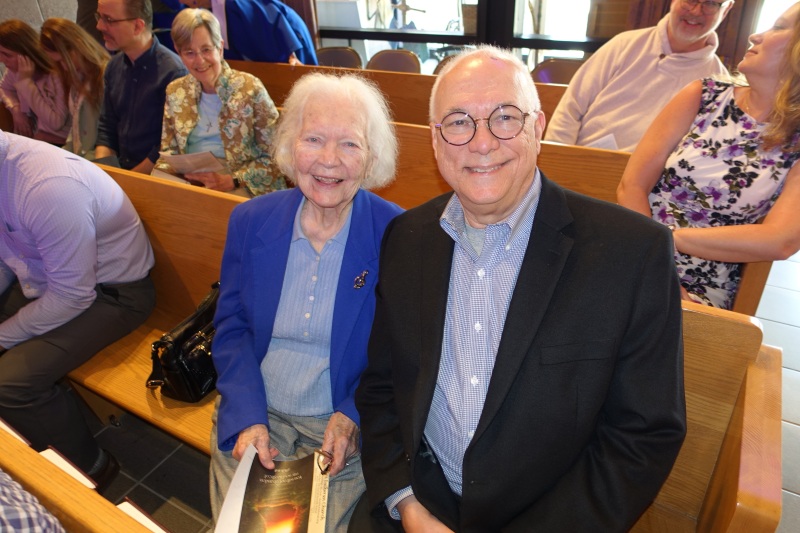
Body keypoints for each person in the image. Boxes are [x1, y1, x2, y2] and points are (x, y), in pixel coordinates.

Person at [352, 46, 686, 532]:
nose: (483, 142)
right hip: (418, 504)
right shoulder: (406, 238)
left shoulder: (632, 254)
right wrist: (405, 503)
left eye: (505, 117)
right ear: (436, 141)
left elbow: (643, 435)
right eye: (459, 122)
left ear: (538, 127)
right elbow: (382, 386)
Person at [209, 72, 403, 531]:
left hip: (341, 417)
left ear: (372, 157)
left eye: (350, 144)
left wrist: (351, 415)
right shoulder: (249, 220)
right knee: (241, 527)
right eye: (313, 139)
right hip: (258, 405)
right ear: (288, 146)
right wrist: (247, 417)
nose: (328, 160)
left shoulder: (397, 234)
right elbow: (232, 327)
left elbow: (400, 349)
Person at [617, 2, 800, 310]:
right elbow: (631, 185)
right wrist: (654, 251)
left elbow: (781, 240)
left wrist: (670, 240)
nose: (755, 35)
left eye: (778, 28)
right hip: (636, 244)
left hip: (704, 279)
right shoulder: (703, 94)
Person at [0, 130, 156, 490]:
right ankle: (35, 431)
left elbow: (72, 296)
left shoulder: (47, 187)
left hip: (114, 295)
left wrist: (3, 337)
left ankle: (92, 468)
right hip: (49, 281)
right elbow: (8, 257)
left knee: (10, 384)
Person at [545, 0, 735, 152]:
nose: (695, 11)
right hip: (580, 162)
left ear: (726, 9)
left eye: (710, 3)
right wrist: (559, 164)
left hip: (651, 185)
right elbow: (570, 109)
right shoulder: (624, 44)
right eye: (690, 0)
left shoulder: (718, 84)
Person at [154, 8, 286, 196]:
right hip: (192, 183)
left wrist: (232, 180)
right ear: (179, 53)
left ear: (220, 47)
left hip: (241, 185)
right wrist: (163, 179)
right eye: (189, 52)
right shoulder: (175, 91)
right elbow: (168, 153)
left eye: (206, 50)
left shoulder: (250, 88)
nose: (200, 60)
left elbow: (277, 157)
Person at [94, 0, 188, 173]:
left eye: (109, 20)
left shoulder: (173, 73)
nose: (99, 26)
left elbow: (167, 146)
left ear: (137, 26)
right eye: (99, 17)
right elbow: (107, 129)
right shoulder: (113, 66)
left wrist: (128, 180)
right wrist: (106, 173)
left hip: (157, 175)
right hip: (122, 171)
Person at [40, 18, 111, 160]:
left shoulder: (105, 75)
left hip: (98, 160)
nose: (64, 67)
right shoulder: (77, 77)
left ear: (78, 46)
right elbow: (76, 128)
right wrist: (63, 157)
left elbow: (107, 135)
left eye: (63, 60)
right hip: (81, 158)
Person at [178, 0, 318, 65]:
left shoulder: (237, 3)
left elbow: (271, 16)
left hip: (286, 36)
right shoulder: (208, 11)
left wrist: (290, 53)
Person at [0, 20, 70, 145]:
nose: (1, 60)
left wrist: (25, 83)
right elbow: (4, 88)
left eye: (7, 55)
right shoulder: (15, 70)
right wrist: (16, 109)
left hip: (62, 142)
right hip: (39, 138)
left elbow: (56, 123)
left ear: (27, 53)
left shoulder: (55, 73)